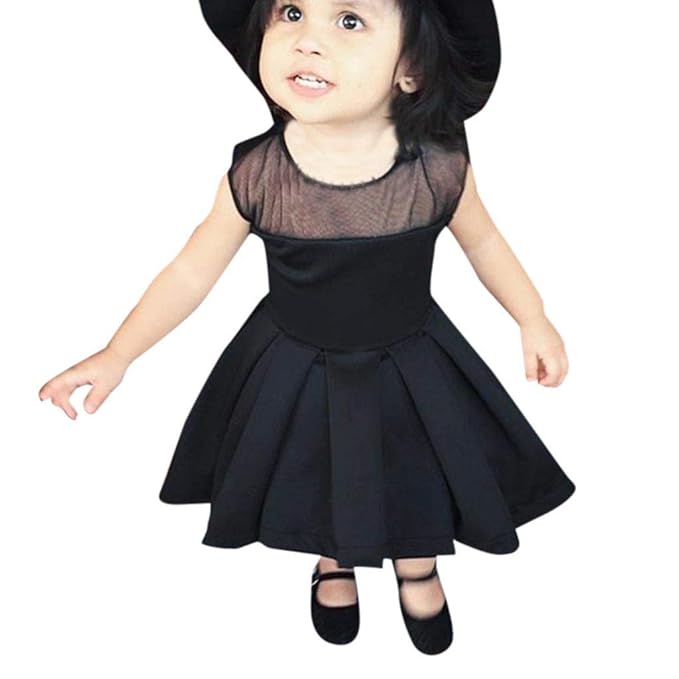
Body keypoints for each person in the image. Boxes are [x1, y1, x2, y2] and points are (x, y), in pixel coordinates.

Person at [38, 0, 576, 655]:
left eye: (348, 21)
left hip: (409, 359)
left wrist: (531, 316)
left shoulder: (437, 165)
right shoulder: (258, 174)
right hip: (296, 362)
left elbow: (484, 242)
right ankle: (333, 557)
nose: (307, 40)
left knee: (413, 462)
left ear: (410, 68)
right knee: (322, 465)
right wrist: (117, 353)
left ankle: (417, 558)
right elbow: (190, 272)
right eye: (291, 11)